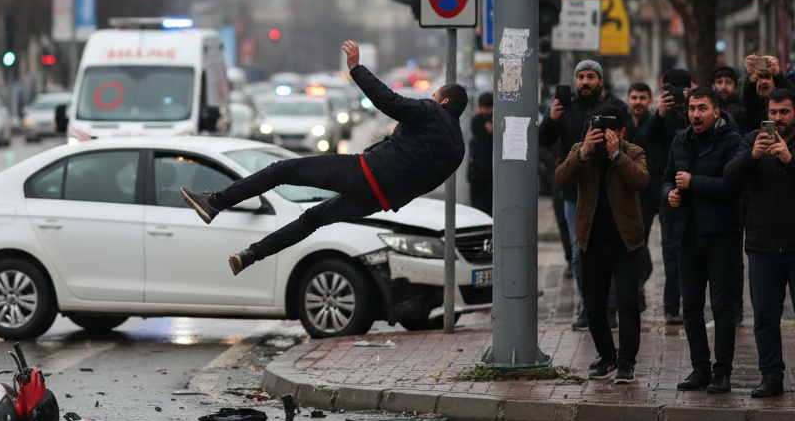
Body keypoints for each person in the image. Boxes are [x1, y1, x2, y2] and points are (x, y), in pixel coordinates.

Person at [181, 41, 467, 275]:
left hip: (365, 173)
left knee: (283, 169)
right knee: (313, 218)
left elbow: (389, 102)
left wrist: (356, 69)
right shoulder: (457, 151)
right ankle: (249, 256)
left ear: (443, 101)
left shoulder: (432, 113)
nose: (429, 97)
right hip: (378, 200)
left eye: (434, 95)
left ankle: (216, 203)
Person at [555, 102, 649, 384]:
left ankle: (626, 363)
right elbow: (562, 178)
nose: (602, 134)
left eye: (609, 129)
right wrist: (583, 152)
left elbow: (641, 181)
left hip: (626, 243)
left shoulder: (633, 151)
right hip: (591, 242)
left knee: (627, 303)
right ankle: (607, 356)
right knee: (594, 306)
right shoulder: (580, 152)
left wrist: (617, 154)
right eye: (596, 128)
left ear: (621, 131)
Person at [538, 59, 630, 330]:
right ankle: (589, 307)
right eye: (581, 77)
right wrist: (551, 119)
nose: (585, 82)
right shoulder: (566, 108)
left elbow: (630, 137)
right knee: (579, 253)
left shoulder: (615, 107)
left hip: (607, 190)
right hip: (574, 191)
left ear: (600, 80)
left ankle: (610, 306)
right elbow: (543, 139)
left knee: (609, 249)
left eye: (591, 76)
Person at [664, 87, 743, 393]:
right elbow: (668, 176)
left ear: (716, 113)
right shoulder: (681, 139)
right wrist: (669, 192)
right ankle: (701, 369)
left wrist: (694, 183)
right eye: (692, 108)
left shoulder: (732, 141)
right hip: (687, 234)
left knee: (721, 307)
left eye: (702, 109)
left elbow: (733, 186)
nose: (696, 114)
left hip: (722, 235)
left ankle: (722, 372)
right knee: (691, 307)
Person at [724, 87, 795, 397]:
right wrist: (753, 155)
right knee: (765, 317)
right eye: (773, 113)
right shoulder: (752, 139)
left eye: (784, 112)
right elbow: (730, 178)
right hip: (762, 246)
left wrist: (790, 160)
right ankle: (771, 376)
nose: (777, 118)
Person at [643, 68, 694, 326]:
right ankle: (672, 308)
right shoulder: (661, 117)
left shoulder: (695, 111)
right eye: (669, 90)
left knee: (694, 251)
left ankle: (692, 305)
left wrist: (689, 107)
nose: (674, 95)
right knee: (671, 251)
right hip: (668, 190)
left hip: (695, 189)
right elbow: (648, 139)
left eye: (679, 89)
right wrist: (661, 113)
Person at [627, 81, 656, 311]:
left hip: (650, 193)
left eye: (642, 98)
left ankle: (639, 283)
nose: (638, 102)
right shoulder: (622, 123)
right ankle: (636, 286)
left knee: (641, 241)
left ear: (650, 100)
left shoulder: (655, 121)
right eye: (634, 97)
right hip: (628, 192)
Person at [740, 56, 795, 135]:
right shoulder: (749, 110)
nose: (763, 82)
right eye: (760, 78)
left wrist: (778, 75)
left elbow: (792, 97)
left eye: (767, 77)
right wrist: (750, 80)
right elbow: (746, 100)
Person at [467, 91, 494, 215]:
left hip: (489, 174)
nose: (483, 111)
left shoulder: (493, 121)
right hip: (478, 173)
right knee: (478, 208)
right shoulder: (477, 121)